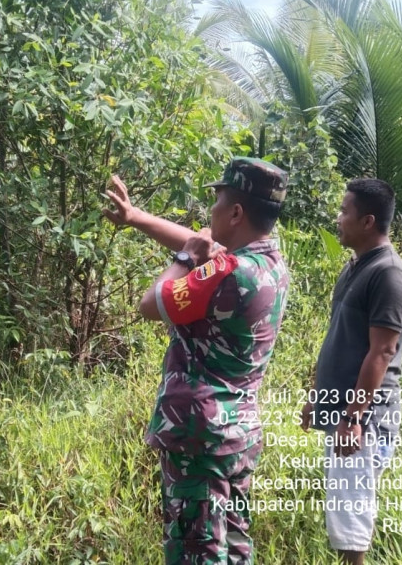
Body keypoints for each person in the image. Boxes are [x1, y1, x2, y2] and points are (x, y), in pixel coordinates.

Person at [103, 157, 290, 564]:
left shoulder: (228, 275)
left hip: (199, 440)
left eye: (217, 201)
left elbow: (150, 304)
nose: (210, 211)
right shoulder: (270, 264)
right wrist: (136, 217)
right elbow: (201, 242)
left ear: (236, 213)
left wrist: (185, 259)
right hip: (235, 435)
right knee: (234, 547)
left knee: (196, 551)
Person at [299, 179, 402, 565]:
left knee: (352, 520)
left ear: (368, 221)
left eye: (344, 211)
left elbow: (382, 352)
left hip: (364, 419)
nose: (338, 218)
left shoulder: (389, 275)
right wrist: (318, 398)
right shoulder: (356, 267)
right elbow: (342, 340)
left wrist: (354, 417)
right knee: (345, 513)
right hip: (344, 411)